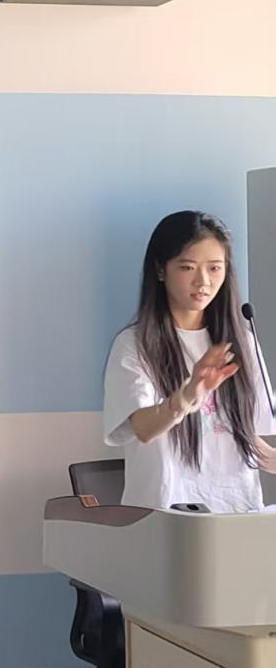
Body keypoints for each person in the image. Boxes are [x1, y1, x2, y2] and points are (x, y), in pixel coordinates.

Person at [103, 211, 276, 512]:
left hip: (237, 510)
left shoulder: (243, 340)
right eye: (187, 267)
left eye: (215, 268)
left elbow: (244, 431)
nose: (203, 281)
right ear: (161, 270)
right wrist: (186, 397)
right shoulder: (134, 344)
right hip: (166, 514)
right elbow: (143, 428)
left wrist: (269, 456)